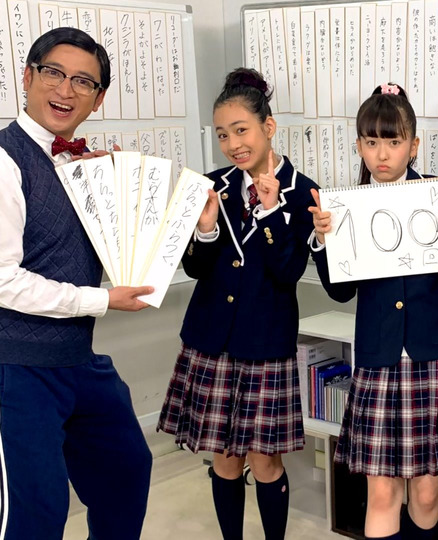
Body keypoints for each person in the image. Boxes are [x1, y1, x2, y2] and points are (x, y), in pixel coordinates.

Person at [308, 83, 438, 540]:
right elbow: (340, 293)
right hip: (381, 356)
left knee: (427, 495)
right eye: (372, 142)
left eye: (393, 141)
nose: (382, 153)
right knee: (382, 492)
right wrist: (323, 241)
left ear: (413, 144)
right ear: (359, 146)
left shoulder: (437, 194)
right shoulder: (344, 206)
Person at [0, 27, 154, 539]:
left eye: (83, 81)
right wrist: (101, 300)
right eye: (53, 73)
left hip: (77, 358)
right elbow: (3, 280)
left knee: (125, 472)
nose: (65, 90)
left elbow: (99, 254)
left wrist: (115, 195)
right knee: (36, 514)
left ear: (98, 98)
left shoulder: (79, 164)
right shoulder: (5, 160)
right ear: (27, 77)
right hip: (16, 366)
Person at [157, 68, 318, 540]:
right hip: (211, 339)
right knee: (224, 459)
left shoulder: (303, 192)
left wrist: (270, 212)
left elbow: (288, 272)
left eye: (241, 130)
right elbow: (195, 267)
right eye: (223, 135)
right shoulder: (212, 186)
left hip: (264, 342)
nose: (233, 144)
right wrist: (206, 229)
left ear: (269, 126)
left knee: (265, 461)